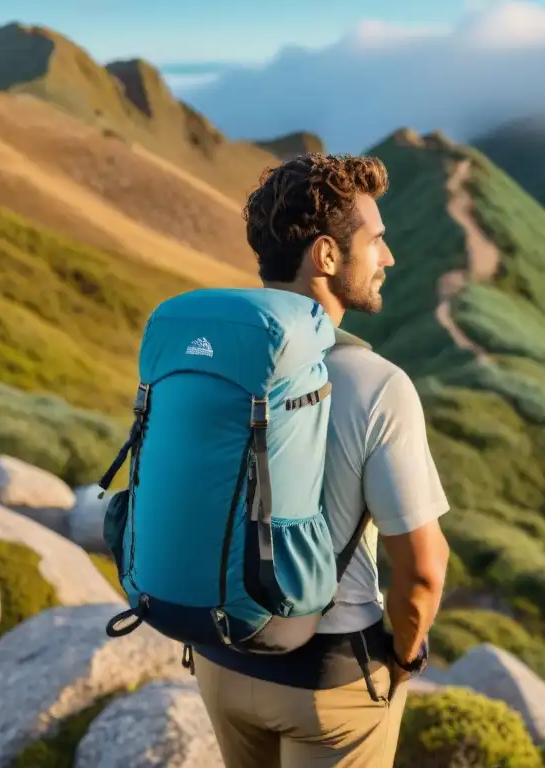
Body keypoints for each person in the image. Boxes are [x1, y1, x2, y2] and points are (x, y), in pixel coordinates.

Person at [190, 152, 452, 767]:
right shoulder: (375, 383)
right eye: (377, 242)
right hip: (327, 683)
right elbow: (423, 571)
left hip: (219, 658)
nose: (388, 258)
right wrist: (408, 659)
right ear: (328, 256)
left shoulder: (211, 357)